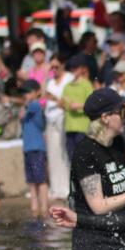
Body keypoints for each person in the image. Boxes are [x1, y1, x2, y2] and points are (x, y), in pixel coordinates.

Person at [49, 88, 125, 250]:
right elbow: (98, 205)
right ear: (105, 118)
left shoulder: (118, 143)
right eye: (121, 111)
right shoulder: (86, 152)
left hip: (120, 235)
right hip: (93, 244)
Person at [44, 53, 74, 200]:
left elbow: (69, 101)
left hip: (64, 120)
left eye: (56, 66)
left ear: (63, 65)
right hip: (50, 121)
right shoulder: (50, 82)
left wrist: (55, 99)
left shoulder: (69, 79)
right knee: (53, 155)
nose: (54, 69)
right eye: (52, 67)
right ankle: (56, 188)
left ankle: (67, 188)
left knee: (64, 154)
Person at [19, 80, 48, 217]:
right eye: (24, 92)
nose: (26, 95)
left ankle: (43, 207)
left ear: (36, 92)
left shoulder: (35, 105)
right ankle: (34, 207)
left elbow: (23, 113)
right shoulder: (28, 106)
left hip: (37, 148)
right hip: (28, 148)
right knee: (31, 180)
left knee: (40, 180)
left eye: (29, 92)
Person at [61, 54, 94, 160]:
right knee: (72, 158)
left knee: (83, 157)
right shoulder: (67, 86)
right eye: (72, 67)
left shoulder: (87, 85)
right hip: (69, 127)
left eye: (76, 67)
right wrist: (64, 104)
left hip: (82, 127)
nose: (74, 70)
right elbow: (63, 102)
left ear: (82, 68)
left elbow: (92, 103)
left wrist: (79, 105)